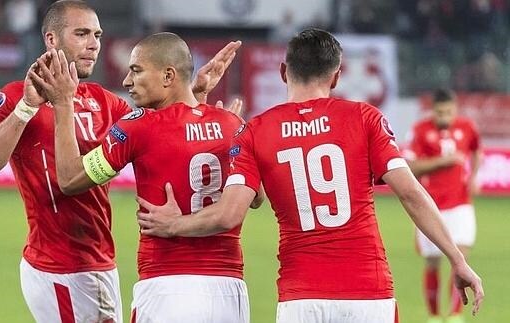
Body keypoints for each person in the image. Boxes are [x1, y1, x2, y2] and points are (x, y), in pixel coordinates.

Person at [135, 28, 485, 323]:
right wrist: (457, 258)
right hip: (368, 292)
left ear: (284, 71)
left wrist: (173, 225)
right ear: (336, 76)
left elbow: (229, 214)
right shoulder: (365, 118)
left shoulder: (256, 131)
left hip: (300, 298)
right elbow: (410, 194)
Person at [0, 0, 240, 322]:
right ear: (51, 40)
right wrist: (27, 108)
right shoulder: (18, 95)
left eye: (97, 35)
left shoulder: (103, 101)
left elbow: (162, 129)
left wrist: (193, 94)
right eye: (81, 34)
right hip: (61, 264)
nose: (93, 44)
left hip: (100, 260)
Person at [29, 32, 257, 323]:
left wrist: (63, 103)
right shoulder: (232, 123)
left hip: (166, 287)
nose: (127, 81)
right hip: (230, 291)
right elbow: (256, 197)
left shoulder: (139, 127)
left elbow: (71, 179)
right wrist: (202, 104)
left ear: (168, 75)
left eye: (136, 70)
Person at [404, 88, 482, 323]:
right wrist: (444, 161)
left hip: (460, 204)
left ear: (455, 109)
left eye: (448, 111)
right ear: (432, 110)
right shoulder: (419, 131)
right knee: (433, 262)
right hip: (431, 206)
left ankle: (455, 315)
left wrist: (474, 176)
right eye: (439, 112)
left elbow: (477, 149)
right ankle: (434, 315)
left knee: (462, 257)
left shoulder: (467, 127)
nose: (444, 116)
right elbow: (412, 167)